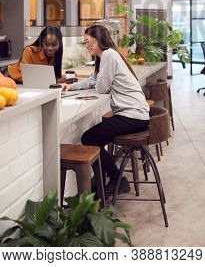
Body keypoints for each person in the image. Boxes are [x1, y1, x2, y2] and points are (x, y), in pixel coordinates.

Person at [62, 25, 150, 198]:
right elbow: (94, 80)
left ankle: (117, 179)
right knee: (94, 138)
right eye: (85, 42)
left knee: (89, 138)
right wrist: (71, 86)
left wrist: (97, 81)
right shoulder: (105, 57)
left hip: (132, 116)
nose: (87, 46)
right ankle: (106, 181)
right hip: (133, 114)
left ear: (98, 41)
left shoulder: (108, 55)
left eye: (89, 42)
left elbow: (101, 88)